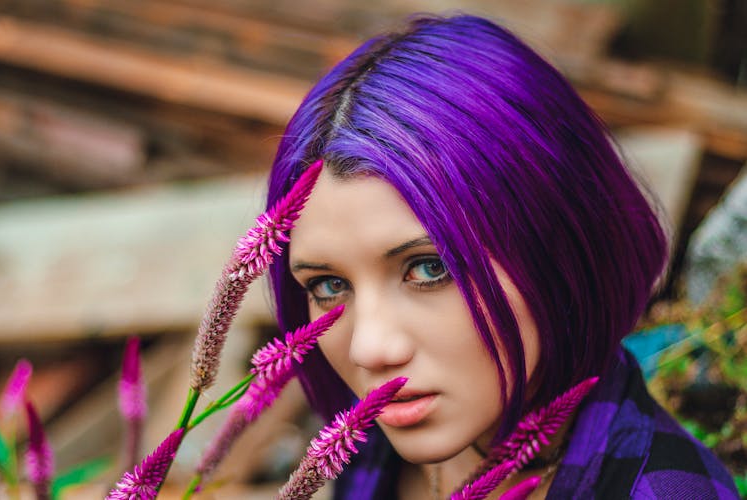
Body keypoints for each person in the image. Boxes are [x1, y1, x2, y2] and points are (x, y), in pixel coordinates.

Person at [264, 14, 739, 499]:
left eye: (431, 268)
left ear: (556, 244)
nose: (369, 349)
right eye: (329, 285)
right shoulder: (373, 450)